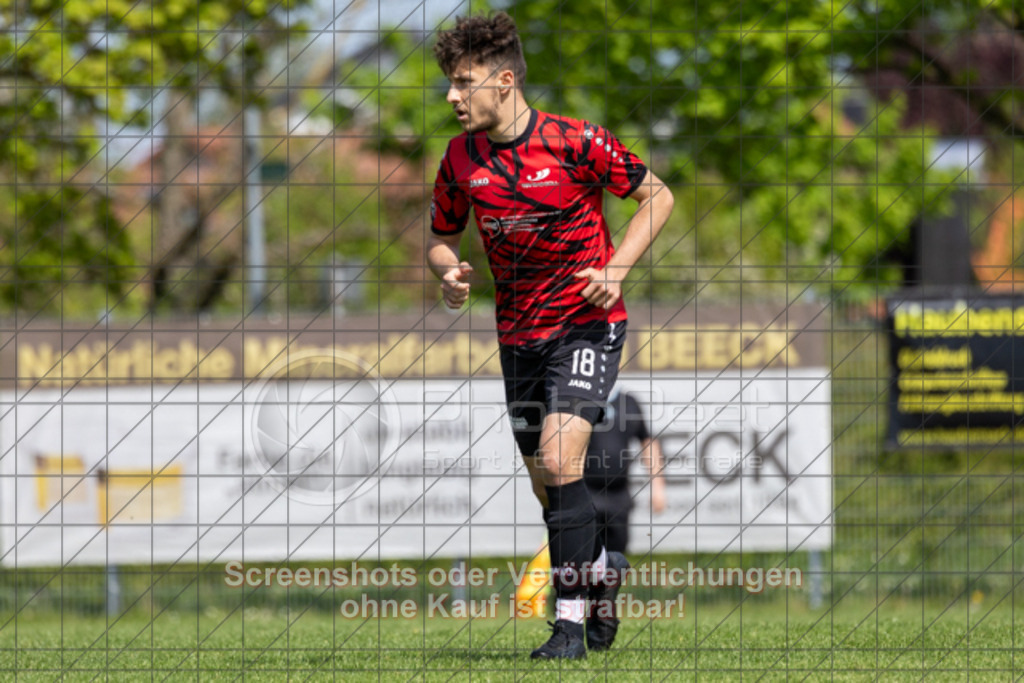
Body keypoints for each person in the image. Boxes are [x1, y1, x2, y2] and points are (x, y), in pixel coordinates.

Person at [428, 12, 674, 660]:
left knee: (564, 462)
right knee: (549, 484)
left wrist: (616, 269)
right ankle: (599, 575)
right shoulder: (459, 159)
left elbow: (658, 196)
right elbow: (440, 237)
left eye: (463, 82)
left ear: (504, 80)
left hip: (588, 324)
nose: (451, 96)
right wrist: (447, 272)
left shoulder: (575, 141)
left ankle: (566, 624)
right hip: (519, 336)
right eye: (448, 84)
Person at [585, 386, 667, 554]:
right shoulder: (580, 400)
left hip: (618, 496)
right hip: (585, 494)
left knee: (615, 561)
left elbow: (647, 442)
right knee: (582, 560)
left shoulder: (629, 403)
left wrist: (658, 488)